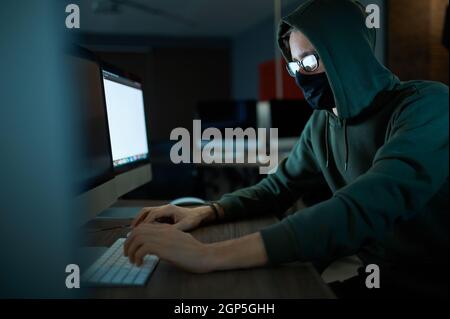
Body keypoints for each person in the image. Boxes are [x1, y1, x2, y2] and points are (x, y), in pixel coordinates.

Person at [124, 0, 449, 298]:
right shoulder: (323, 122)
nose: (301, 75)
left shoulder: (428, 106)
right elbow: (278, 188)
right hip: (373, 272)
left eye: (311, 60)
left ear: (347, 53)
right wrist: (207, 211)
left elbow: (367, 205)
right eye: (295, 66)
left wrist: (207, 255)